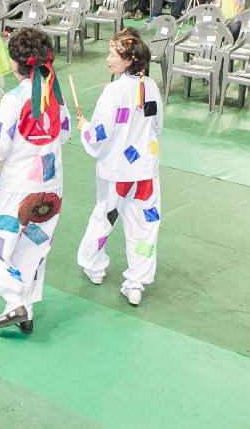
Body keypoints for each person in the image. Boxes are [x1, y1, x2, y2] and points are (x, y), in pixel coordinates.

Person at [0, 28, 68, 334]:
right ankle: (24, 309)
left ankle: (14, 299)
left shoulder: (14, 99)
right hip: (51, 190)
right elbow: (64, 133)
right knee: (32, 250)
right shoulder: (55, 95)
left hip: (17, 189)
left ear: (16, 62)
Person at [76, 28, 163, 306]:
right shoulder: (149, 86)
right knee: (144, 224)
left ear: (128, 61)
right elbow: (156, 126)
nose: (108, 59)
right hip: (145, 171)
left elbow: (101, 134)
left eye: (112, 55)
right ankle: (136, 282)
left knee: (105, 215)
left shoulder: (113, 91)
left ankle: (94, 266)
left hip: (117, 172)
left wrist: (84, 128)